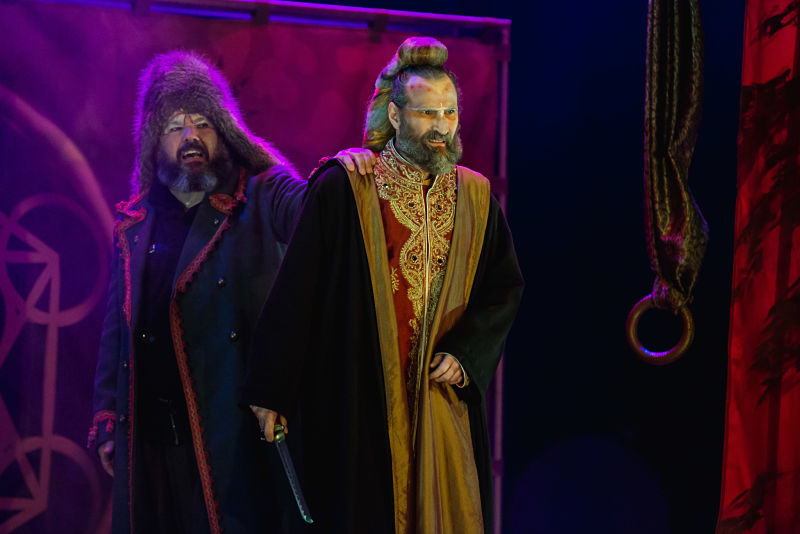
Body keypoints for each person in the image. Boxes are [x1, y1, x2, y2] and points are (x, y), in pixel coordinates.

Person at [244, 37, 524, 534]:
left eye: (450, 113)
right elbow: (298, 290)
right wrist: (272, 388)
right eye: (426, 114)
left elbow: (503, 288)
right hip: (363, 399)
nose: (441, 127)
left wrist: (467, 354)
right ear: (395, 115)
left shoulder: (477, 197)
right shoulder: (347, 185)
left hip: (442, 403)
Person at [88, 50, 372, 534]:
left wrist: (342, 173)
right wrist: (108, 417)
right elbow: (118, 327)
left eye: (202, 122)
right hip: (151, 442)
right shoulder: (135, 223)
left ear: (224, 130)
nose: (191, 136)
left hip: (230, 438)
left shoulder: (261, 193)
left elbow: (315, 214)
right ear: (155, 139)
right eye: (175, 125)